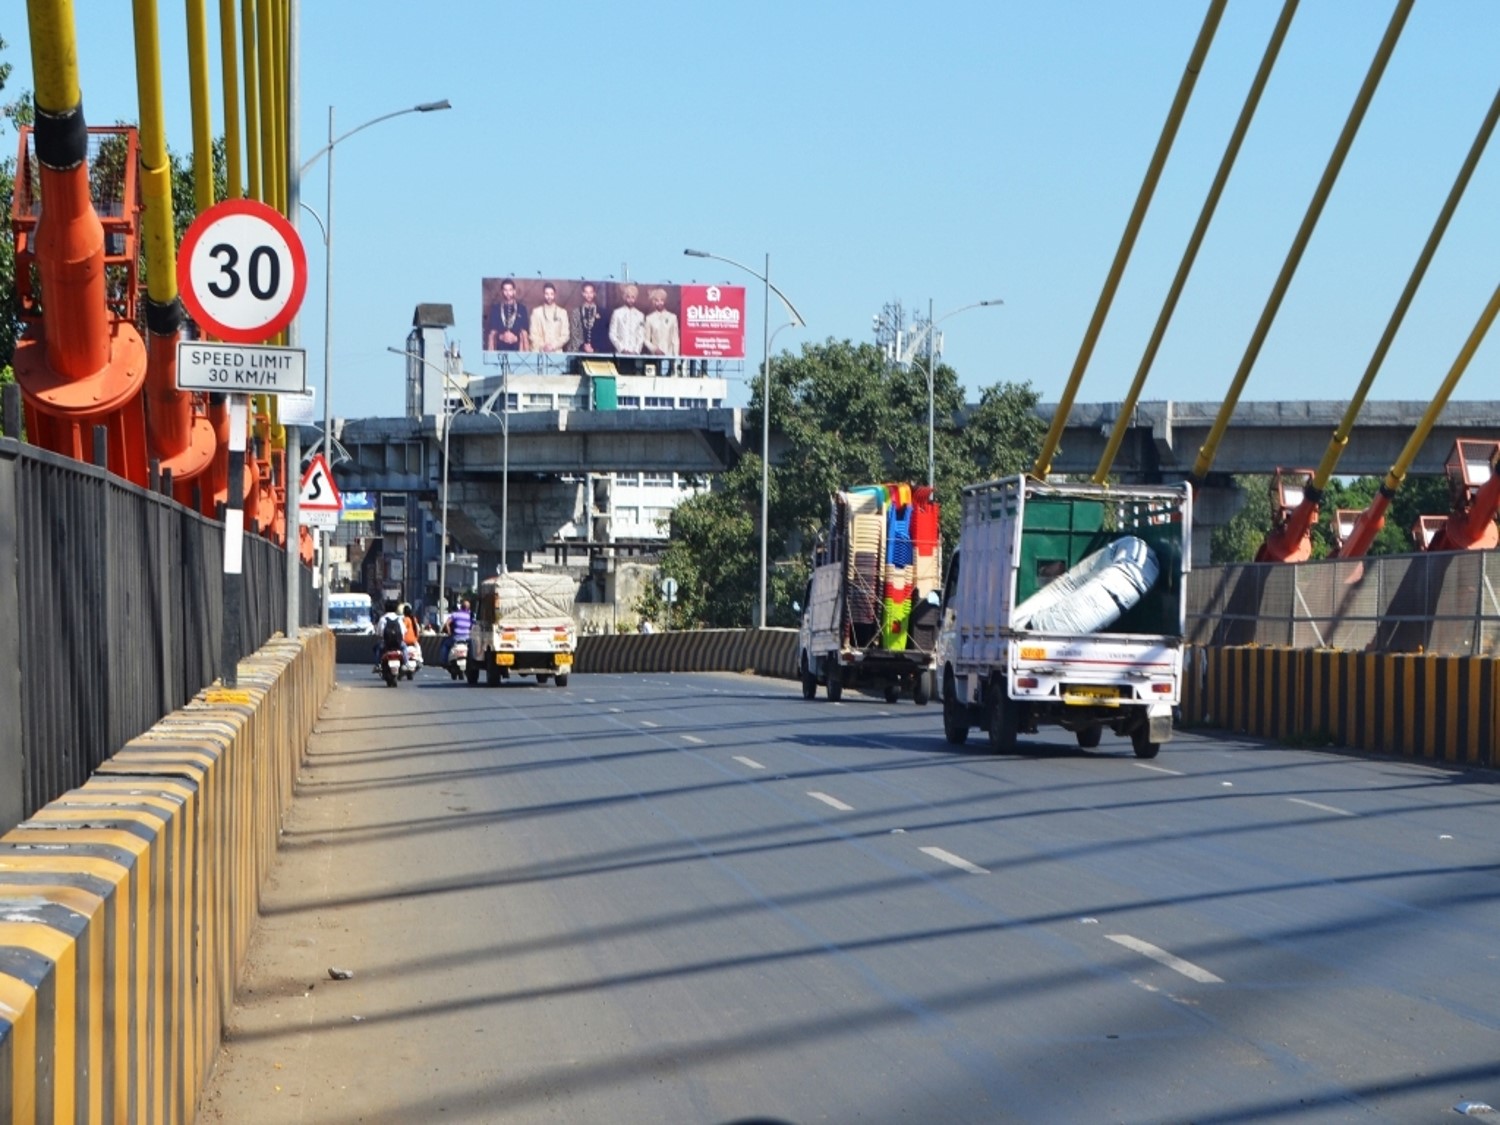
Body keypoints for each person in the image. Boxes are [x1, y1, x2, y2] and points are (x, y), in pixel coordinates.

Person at [485, 279, 529, 352]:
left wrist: (516, 338)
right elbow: (491, 330)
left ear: (514, 291)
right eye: (505, 290)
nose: (508, 293)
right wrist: (501, 337)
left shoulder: (522, 309)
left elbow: (525, 330)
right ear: (502, 292)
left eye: (510, 290)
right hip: (500, 347)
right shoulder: (495, 309)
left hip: (517, 347)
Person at [568, 283, 610, 354]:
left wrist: (593, 349)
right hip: (580, 351)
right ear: (583, 294)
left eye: (591, 292)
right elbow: (574, 333)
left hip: (598, 351)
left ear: (594, 293)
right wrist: (584, 347)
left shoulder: (603, 312)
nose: (589, 295)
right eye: (586, 292)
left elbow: (603, 335)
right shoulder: (576, 312)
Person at [529, 282, 570, 354]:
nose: (549, 297)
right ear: (543, 294)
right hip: (539, 351)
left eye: (551, 294)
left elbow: (565, 335)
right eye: (547, 294)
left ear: (555, 295)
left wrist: (553, 346)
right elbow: (533, 334)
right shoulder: (536, 312)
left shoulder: (562, 312)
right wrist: (543, 346)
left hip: (557, 352)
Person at [608, 283, 646, 355]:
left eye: (633, 297)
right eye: (628, 297)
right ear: (624, 297)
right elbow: (612, 334)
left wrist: (636, 351)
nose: (630, 300)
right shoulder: (617, 313)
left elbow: (641, 335)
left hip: (635, 353)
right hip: (620, 352)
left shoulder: (640, 315)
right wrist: (622, 349)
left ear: (636, 298)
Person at [374, 599, 411, 669]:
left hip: (386, 643)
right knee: (405, 648)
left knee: (377, 648)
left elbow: (379, 633)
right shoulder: (399, 619)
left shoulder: (383, 619)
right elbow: (404, 631)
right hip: (398, 643)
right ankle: (406, 663)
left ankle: (377, 665)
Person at [439, 598, 473, 665]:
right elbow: (472, 626)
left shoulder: (455, 614)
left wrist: (449, 633)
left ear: (461, 607)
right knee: (471, 647)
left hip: (456, 637)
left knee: (445, 644)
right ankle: (471, 660)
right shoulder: (470, 616)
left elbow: (447, 624)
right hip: (467, 638)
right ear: (468, 608)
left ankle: (444, 661)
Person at [402, 604, 422, 669]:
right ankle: (419, 660)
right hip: (414, 641)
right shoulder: (414, 619)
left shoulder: (406, 619)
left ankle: (405, 662)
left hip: (405, 641)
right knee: (418, 650)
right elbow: (418, 630)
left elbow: (402, 629)